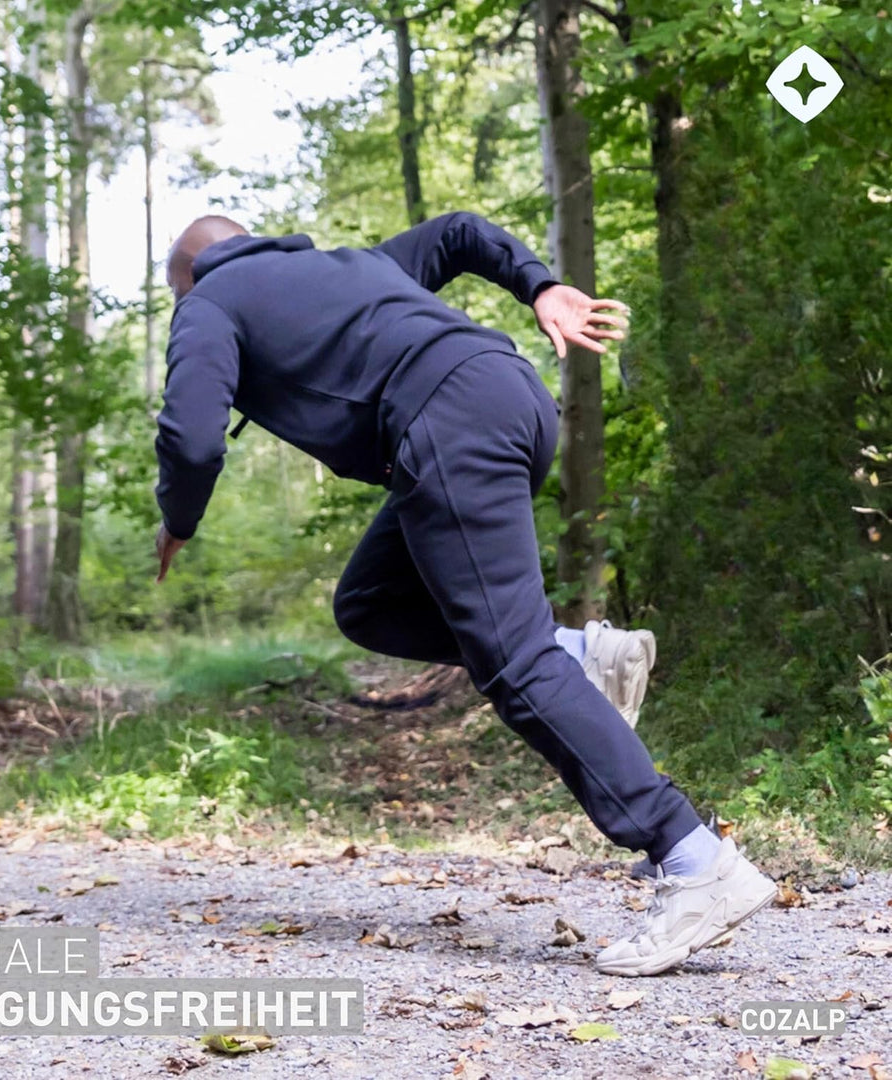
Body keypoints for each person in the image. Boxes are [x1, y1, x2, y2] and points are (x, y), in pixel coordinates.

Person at [153, 212, 777, 977]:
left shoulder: (209, 304)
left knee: (513, 664)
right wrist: (538, 285)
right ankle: (582, 652)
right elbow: (455, 233)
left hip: (447, 424)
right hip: (511, 395)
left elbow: (191, 437)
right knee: (370, 602)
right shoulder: (352, 268)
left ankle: (693, 857)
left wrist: (178, 520)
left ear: (185, 277)